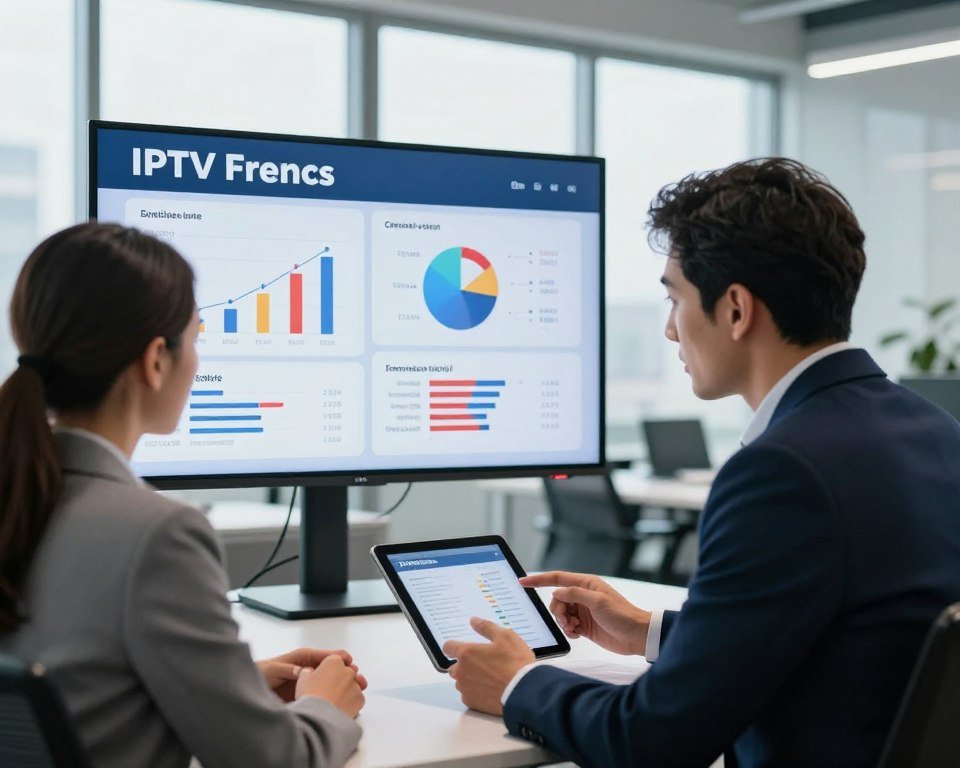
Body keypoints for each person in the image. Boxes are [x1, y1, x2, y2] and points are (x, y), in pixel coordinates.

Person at [442, 158, 960, 767]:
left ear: (737, 309)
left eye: (676, 298)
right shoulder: (934, 430)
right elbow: (842, 635)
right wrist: (650, 631)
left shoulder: (783, 471)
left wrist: (515, 683)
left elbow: (653, 741)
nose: (669, 330)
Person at [0, 223, 366, 768]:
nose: (198, 360)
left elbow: (79, 682)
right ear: (155, 360)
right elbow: (277, 761)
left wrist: (229, 686)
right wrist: (325, 707)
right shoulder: (157, 533)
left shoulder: (22, 495)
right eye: (196, 337)